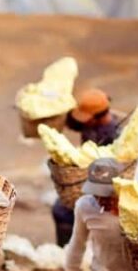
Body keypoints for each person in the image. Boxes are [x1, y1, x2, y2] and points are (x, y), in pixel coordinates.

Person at [52, 88, 123, 247]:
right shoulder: (90, 124)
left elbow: (116, 168)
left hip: (103, 184)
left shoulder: (115, 135)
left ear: (98, 116)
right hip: (84, 177)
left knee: (63, 212)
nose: (83, 121)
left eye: (86, 117)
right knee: (60, 209)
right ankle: (67, 249)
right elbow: (72, 122)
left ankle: (71, 250)